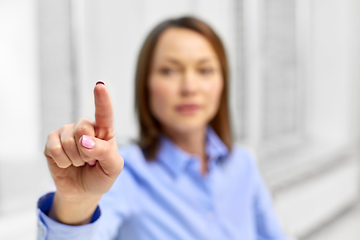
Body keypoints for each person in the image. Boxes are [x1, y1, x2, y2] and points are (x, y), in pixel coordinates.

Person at [37, 16, 289, 240]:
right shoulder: (121, 173)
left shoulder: (243, 164)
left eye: (205, 70)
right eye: (169, 70)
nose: (189, 87)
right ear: (145, 84)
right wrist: (76, 204)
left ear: (223, 81)